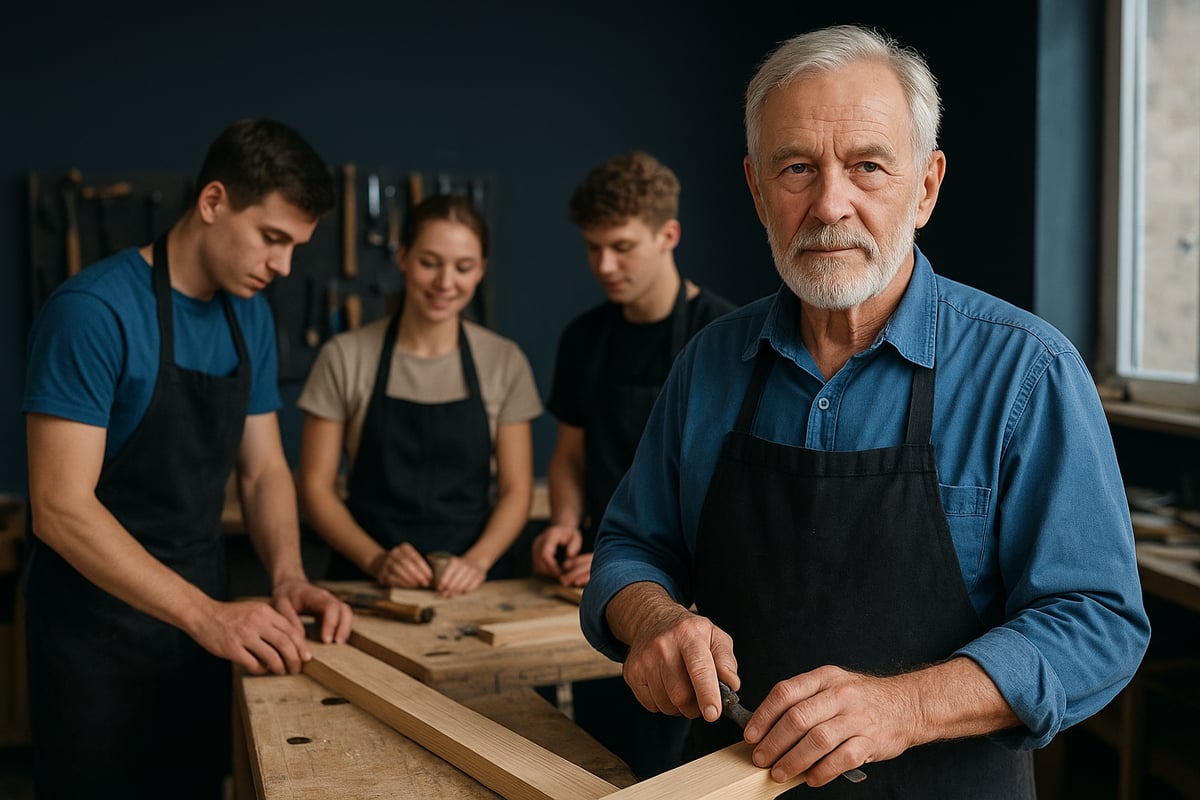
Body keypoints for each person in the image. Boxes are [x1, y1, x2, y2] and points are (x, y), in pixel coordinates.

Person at [580, 25, 1151, 798]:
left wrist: (906, 706)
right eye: (797, 169)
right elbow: (627, 546)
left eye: (867, 166)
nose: (828, 204)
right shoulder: (709, 364)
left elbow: (1098, 620)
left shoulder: (1028, 372)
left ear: (925, 186)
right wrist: (648, 619)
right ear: (756, 190)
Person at [22, 119, 354, 798]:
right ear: (212, 203)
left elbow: (263, 471)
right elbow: (59, 507)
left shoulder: (249, 315)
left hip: (202, 627)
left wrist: (287, 576)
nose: (284, 266)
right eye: (273, 238)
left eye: (296, 247)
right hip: (96, 638)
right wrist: (205, 612)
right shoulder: (92, 312)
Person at [531, 151, 736, 778]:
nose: (604, 266)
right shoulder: (583, 339)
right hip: (605, 590)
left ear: (667, 235)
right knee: (598, 764)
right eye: (593, 249)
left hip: (697, 604)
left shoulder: (723, 339)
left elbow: (727, 493)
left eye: (620, 247)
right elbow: (570, 454)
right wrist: (567, 524)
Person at [297, 194, 541, 597]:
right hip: (364, 583)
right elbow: (314, 488)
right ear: (403, 258)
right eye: (430, 263)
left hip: (470, 585)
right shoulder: (344, 356)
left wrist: (477, 561)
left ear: (481, 270)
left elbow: (517, 491)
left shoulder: (504, 361)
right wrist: (375, 559)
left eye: (463, 267)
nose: (445, 283)